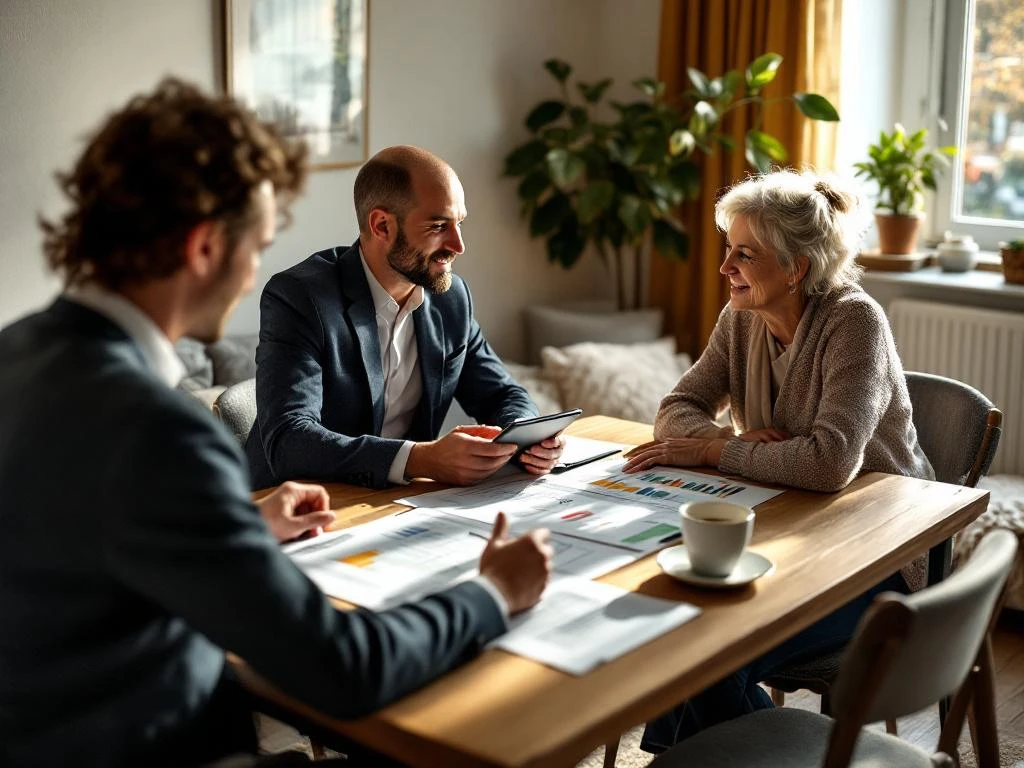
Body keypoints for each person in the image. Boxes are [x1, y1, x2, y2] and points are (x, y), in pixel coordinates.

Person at [0, 79, 553, 767]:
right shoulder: (163, 432)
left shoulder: (16, 353)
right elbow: (346, 668)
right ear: (205, 247)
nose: (254, 268)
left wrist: (232, 525)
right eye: (256, 244)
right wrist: (494, 590)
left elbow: (74, 543)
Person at [621, 169, 934, 752]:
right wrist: (736, 446)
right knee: (690, 634)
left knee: (711, 654)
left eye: (744, 253)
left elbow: (829, 464)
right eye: (728, 249)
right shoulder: (739, 318)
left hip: (878, 553)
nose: (724, 268)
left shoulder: (854, 321)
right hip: (794, 526)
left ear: (797, 268)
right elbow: (677, 407)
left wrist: (718, 448)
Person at [244, 145, 565, 491]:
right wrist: (421, 459)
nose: (458, 245)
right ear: (382, 225)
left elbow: (501, 394)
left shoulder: (451, 299)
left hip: (400, 505)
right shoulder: (302, 297)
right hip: (296, 505)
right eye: (439, 226)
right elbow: (289, 439)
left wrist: (530, 437)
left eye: (459, 224)